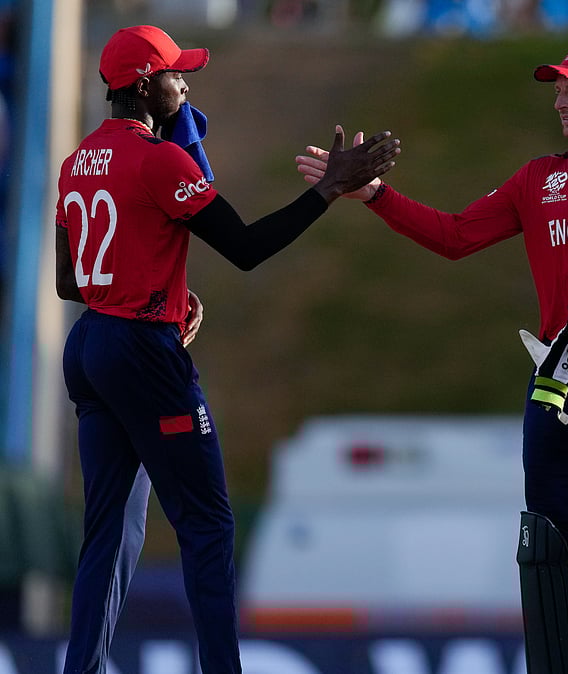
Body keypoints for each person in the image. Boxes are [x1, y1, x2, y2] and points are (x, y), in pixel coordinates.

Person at [297, 38, 568, 674]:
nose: (561, 100)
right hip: (558, 381)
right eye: (558, 89)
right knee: (547, 550)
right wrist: (372, 194)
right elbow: (455, 237)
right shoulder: (540, 178)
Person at [55, 25, 399, 674]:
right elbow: (246, 248)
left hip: (92, 346)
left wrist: (147, 284)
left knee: (109, 532)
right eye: (175, 76)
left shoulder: (78, 161)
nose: (185, 86)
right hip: (141, 350)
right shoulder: (160, 159)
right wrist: (330, 186)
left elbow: (69, 280)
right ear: (142, 84)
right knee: (207, 525)